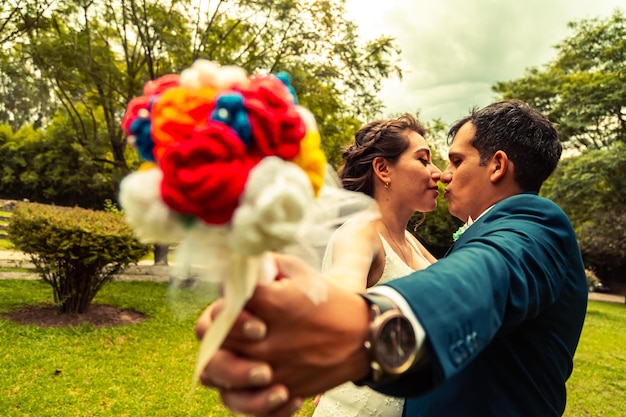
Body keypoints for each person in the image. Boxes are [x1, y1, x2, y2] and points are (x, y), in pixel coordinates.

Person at [195, 99, 588, 417]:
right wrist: (327, 318)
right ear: (383, 170)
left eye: (454, 161)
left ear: (498, 165)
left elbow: (483, 278)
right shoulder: (369, 233)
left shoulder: (536, 227)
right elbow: (346, 285)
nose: (442, 174)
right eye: (432, 160)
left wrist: (356, 332)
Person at [313, 114, 440, 417]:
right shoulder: (360, 233)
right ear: (383, 169)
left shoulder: (409, 240)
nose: (437, 172)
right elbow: (342, 310)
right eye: (423, 160)